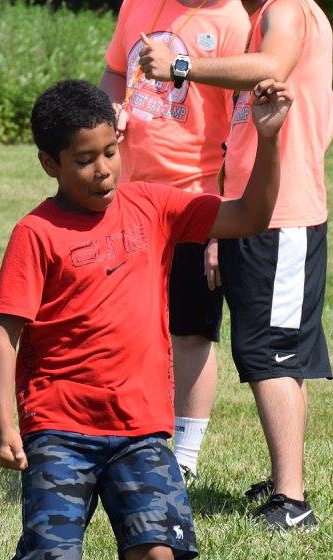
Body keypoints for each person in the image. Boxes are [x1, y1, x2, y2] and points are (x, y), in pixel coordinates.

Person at [0, 78, 291, 560]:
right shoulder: (35, 233)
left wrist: (268, 140)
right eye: (82, 159)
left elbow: (253, 216)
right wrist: (6, 425)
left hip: (141, 428)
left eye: (109, 153)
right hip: (60, 426)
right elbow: (3, 332)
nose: (101, 171)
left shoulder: (153, 207)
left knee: (156, 558)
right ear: (49, 163)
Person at [138, 0, 333, 531]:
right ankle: (284, 479)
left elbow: (272, 68)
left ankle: (292, 503)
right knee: (272, 348)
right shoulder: (259, 18)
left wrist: (181, 67)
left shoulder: (287, 10)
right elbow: (329, 106)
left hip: (283, 214)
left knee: (269, 353)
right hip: (259, 211)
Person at [98, 0, 251, 482]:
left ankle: (184, 455)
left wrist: (219, 225)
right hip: (125, 195)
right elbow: (113, 73)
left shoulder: (233, 20)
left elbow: (241, 127)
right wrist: (113, 112)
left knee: (191, 331)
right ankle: (120, 436)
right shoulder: (136, 5)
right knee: (123, 324)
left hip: (191, 196)